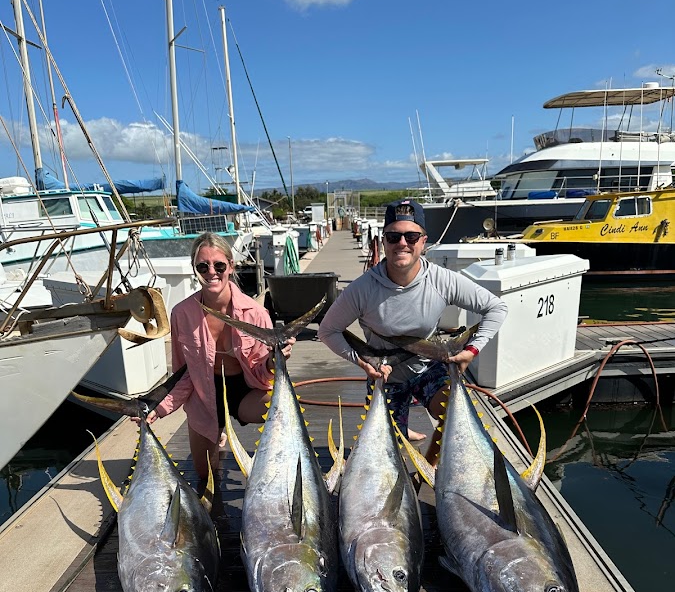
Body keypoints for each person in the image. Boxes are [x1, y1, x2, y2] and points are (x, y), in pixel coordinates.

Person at [318, 198, 507, 454]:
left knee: (456, 416)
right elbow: (327, 330)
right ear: (383, 242)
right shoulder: (362, 289)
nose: (402, 243)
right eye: (393, 237)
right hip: (385, 375)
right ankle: (401, 427)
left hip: (428, 368)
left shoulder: (442, 280)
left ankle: (428, 471)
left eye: (411, 236)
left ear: (423, 242)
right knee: (385, 450)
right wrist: (363, 363)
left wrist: (472, 350)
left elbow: (496, 308)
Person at [147, 231, 293, 479]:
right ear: (195, 269)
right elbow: (182, 374)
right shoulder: (182, 313)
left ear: (231, 266)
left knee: (284, 412)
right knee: (205, 476)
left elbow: (262, 373)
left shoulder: (256, 313)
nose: (211, 272)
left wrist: (272, 361)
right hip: (204, 395)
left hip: (246, 389)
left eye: (219, 265)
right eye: (203, 266)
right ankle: (217, 432)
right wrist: (159, 408)